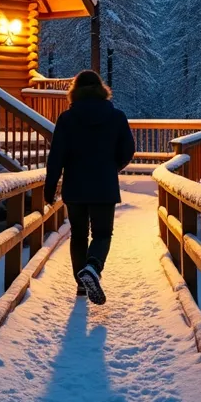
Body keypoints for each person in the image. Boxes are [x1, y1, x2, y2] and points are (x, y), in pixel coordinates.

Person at [43, 70, 136, 305]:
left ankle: (81, 285)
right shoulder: (116, 117)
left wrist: (50, 186)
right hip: (104, 186)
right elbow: (128, 150)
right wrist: (113, 166)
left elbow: (56, 156)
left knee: (79, 235)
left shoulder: (67, 119)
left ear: (75, 91)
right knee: (102, 234)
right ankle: (93, 267)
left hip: (75, 187)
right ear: (101, 89)